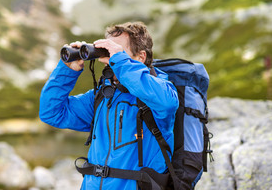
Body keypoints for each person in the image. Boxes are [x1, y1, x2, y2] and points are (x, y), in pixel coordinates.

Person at [39, 22, 179, 190]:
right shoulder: (102, 97)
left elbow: (167, 103)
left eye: (116, 50)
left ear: (141, 57)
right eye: (107, 50)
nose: (110, 57)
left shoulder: (159, 92)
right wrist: (66, 71)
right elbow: (51, 113)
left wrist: (120, 60)